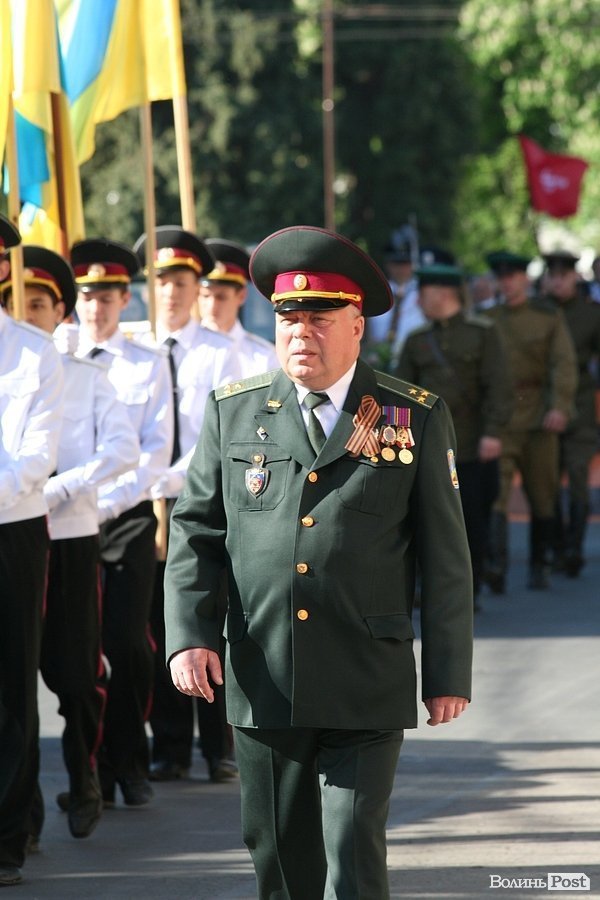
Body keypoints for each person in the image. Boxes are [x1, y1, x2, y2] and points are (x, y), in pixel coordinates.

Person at [164, 225, 473, 900]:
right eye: (288, 317)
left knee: (354, 852)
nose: (301, 330)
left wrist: (448, 671)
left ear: (357, 325)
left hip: (366, 673)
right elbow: (195, 532)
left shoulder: (409, 416)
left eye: (319, 317)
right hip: (265, 669)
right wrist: (188, 636)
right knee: (279, 858)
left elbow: (446, 555)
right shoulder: (234, 413)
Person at [3, 245, 140, 841]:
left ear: (61, 312)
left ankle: (85, 772)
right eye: (20, 302)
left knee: (75, 667)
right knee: (15, 676)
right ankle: (22, 811)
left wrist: (61, 489)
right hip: (27, 529)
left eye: (40, 303)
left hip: (69, 533)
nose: (29, 312)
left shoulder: (85, 378)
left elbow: (121, 451)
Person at [133, 226, 239, 783]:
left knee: (208, 614)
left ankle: (218, 743)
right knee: (157, 622)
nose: (170, 292)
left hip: (200, 502)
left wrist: (162, 478)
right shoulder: (136, 353)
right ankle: (169, 744)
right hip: (143, 505)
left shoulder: (223, 356)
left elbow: (218, 439)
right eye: (160, 282)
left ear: (199, 285)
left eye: (181, 281)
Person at [70, 238, 173, 808]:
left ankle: (129, 760)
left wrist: (105, 503)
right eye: (87, 297)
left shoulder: (147, 363)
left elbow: (154, 454)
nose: (96, 308)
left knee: (130, 643)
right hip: (67, 519)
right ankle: (87, 768)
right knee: (78, 649)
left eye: (107, 297)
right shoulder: (58, 356)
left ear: (124, 300)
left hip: (126, 516)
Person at [0, 217, 64, 887]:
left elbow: (35, 457)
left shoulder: (33, 352)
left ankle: (6, 836)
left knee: (12, 686)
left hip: (11, 530)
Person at [396, 263, 512, 610]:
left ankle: (469, 588)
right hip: (425, 445)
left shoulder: (483, 334)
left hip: (472, 443)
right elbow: (401, 392)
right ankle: (422, 586)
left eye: (424, 292)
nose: (418, 300)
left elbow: (499, 387)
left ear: (444, 293)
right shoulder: (417, 341)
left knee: (470, 519)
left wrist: (492, 434)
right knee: (418, 518)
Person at [480, 251, 577, 591]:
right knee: (496, 494)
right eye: (501, 277)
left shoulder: (547, 317)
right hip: (502, 420)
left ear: (524, 279)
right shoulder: (485, 320)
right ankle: (496, 566)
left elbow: (563, 364)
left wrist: (560, 406)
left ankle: (540, 564)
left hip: (538, 417)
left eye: (513, 276)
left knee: (543, 493)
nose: (507, 282)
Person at [542, 250, 600, 576]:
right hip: (543, 404)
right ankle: (556, 545)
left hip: (579, 405)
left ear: (575, 278)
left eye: (564, 276)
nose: (558, 281)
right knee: (547, 480)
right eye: (553, 275)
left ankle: (574, 548)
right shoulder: (539, 312)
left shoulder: (591, 314)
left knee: (577, 476)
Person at [200, 238, 279, 376]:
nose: (212, 306)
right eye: (205, 296)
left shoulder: (263, 357)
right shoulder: (181, 349)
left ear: (241, 296)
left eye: (221, 297)